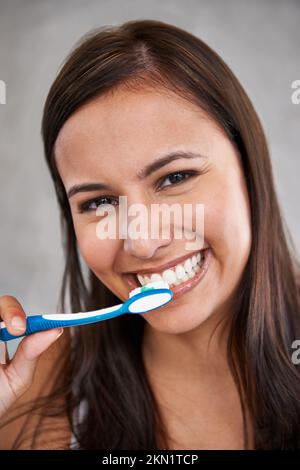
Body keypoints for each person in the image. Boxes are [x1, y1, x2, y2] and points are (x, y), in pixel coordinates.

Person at [0, 19, 300, 450]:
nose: (142, 241)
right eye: (98, 202)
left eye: (175, 177)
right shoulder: (37, 393)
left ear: (249, 172)